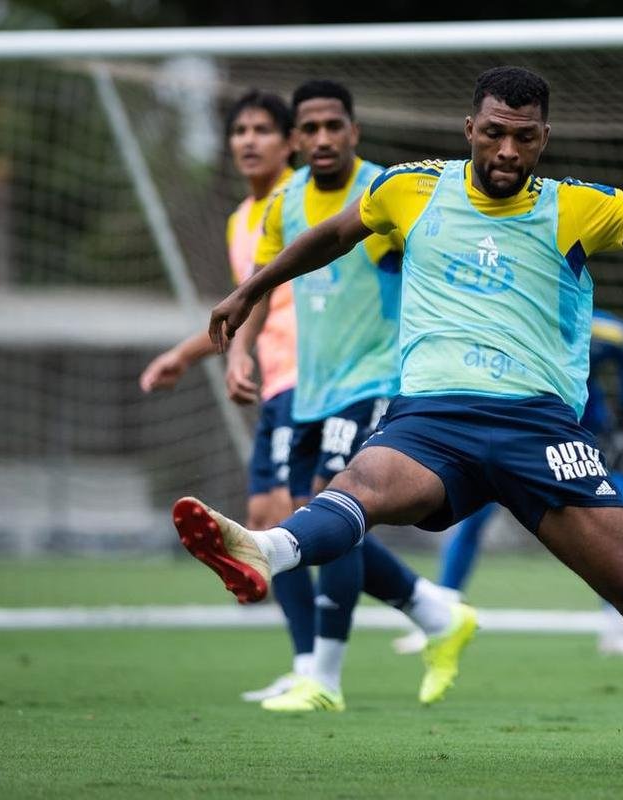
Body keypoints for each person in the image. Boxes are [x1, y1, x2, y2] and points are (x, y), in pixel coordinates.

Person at [177, 66, 623, 752]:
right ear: (469, 128)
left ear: (543, 139)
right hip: (432, 419)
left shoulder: (574, 206)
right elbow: (332, 234)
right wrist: (248, 291)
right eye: (493, 133)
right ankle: (266, 551)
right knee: (360, 484)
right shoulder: (410, 189)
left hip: (540, 427)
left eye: (523, 139)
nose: (505, 152)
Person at [211, 79, 478, 712]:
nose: (324, 138)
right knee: (313, 522)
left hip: (378, 380)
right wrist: (242, 352)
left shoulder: (390, 191)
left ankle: (322, 678)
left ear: (354, 131)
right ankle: (435, 613)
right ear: (296, 140)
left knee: (338, 505)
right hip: (312, 387)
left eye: (336, 126)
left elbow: (440, 259)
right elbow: (265, 283)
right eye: (312, 128)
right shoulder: (284, 204)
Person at [138, 89, 325, 702]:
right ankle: (425, 608)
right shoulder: (240, 219)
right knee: (299, 526)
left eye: (262, 129)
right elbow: (243, 305)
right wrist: (185, 354)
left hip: (318, 376)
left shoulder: (306, 200)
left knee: (280, 524)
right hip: (276, 379)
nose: (248, 140)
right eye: (238, 130)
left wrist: (234, 352)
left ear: (290, 141)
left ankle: (314, 669)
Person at [390, 308, 623, 659]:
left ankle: (616, 628)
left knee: (615, 515)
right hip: (515, 436)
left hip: (578, 440)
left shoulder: (605, 332)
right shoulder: (508, 321)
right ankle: (441, 618)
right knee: (473, 519)